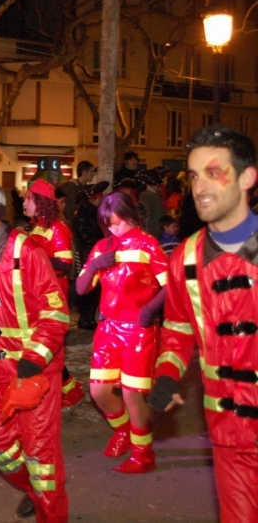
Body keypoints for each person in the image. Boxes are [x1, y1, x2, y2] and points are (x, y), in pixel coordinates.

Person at [149, 125, 258, 523]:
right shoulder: (185, 259)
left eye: (214, 172)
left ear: (247, 177)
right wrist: (166, 374)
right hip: (229, 435)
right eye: (193, 176)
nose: (199, 186)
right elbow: (178, 328)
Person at [0, 175, 69, 522]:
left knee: (41, 457)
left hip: (33, 372)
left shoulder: (28, 252)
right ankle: (34, 492)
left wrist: (34, 359)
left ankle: (52, 513)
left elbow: (56, 314)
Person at [75, 191, 168, 474]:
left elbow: (171, 285)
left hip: (138, 331)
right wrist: (92, 266)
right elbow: (80, 289)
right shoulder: (102, 246)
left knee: (132, 395)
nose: (114, 229)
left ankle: (143, 453)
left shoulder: (149, 245)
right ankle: (123, 430)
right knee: (99, 391)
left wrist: (149, 309)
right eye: (109, 224)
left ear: (130, 216)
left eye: (118, 223)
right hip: (108, 328)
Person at [24, 180, 85, 410]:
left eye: (28, 198)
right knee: (47, 347)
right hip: (39, 291)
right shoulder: (38, 225)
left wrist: (31, 259)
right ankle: (67, 388)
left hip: (52, 294)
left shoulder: (58, 227)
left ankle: (68, 389)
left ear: (39, 202)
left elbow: (63, 263)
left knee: (50, 347)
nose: (24, 202)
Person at [72, 181, 109, 330]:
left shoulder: (92, 213)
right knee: (88, 288)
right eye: (99, 198)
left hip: (92, 254)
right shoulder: (84, 214)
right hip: (87, 256)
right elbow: (84, 237)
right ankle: (85, 317)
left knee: (94, 289)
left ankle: (88, 317)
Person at [136, 168, 166, 239]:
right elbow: (146, 218)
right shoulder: (146, 196)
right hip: (153, 234)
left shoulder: (153, 195)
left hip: (157, 232)